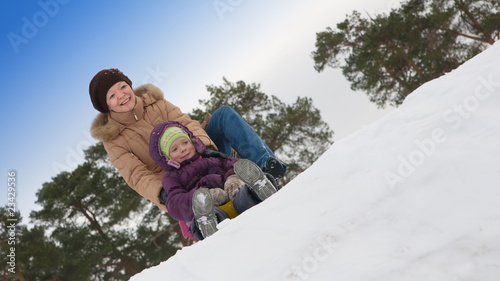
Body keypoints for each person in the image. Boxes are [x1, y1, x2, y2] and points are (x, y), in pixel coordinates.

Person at [89, 68, 285, 214]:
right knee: (210, 201)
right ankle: (212, 214)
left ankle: (265, 169)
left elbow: (186, 123)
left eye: (123, 87)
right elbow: (136, 175)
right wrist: (163, 193)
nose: (122, 95)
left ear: (129, 85)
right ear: (105, 105)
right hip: (181, 182)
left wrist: (205, 147)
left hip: (205, 157)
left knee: (223, 115)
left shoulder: (156, 103)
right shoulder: (113, 138)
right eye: (112, 95)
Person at [149, 121, 278, 240]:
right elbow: (175, 204)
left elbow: (235, 164)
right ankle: (209, 225)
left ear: (192, 141)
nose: (183, 149)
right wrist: (202, 196)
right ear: (167, 158)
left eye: (185, 142)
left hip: (233, 198)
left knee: (244, 194)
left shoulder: (211, 158)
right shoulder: (172, 178)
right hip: (212, 210)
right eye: (175, 149)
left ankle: (259, 189)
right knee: (205, 216)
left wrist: (232, 179)